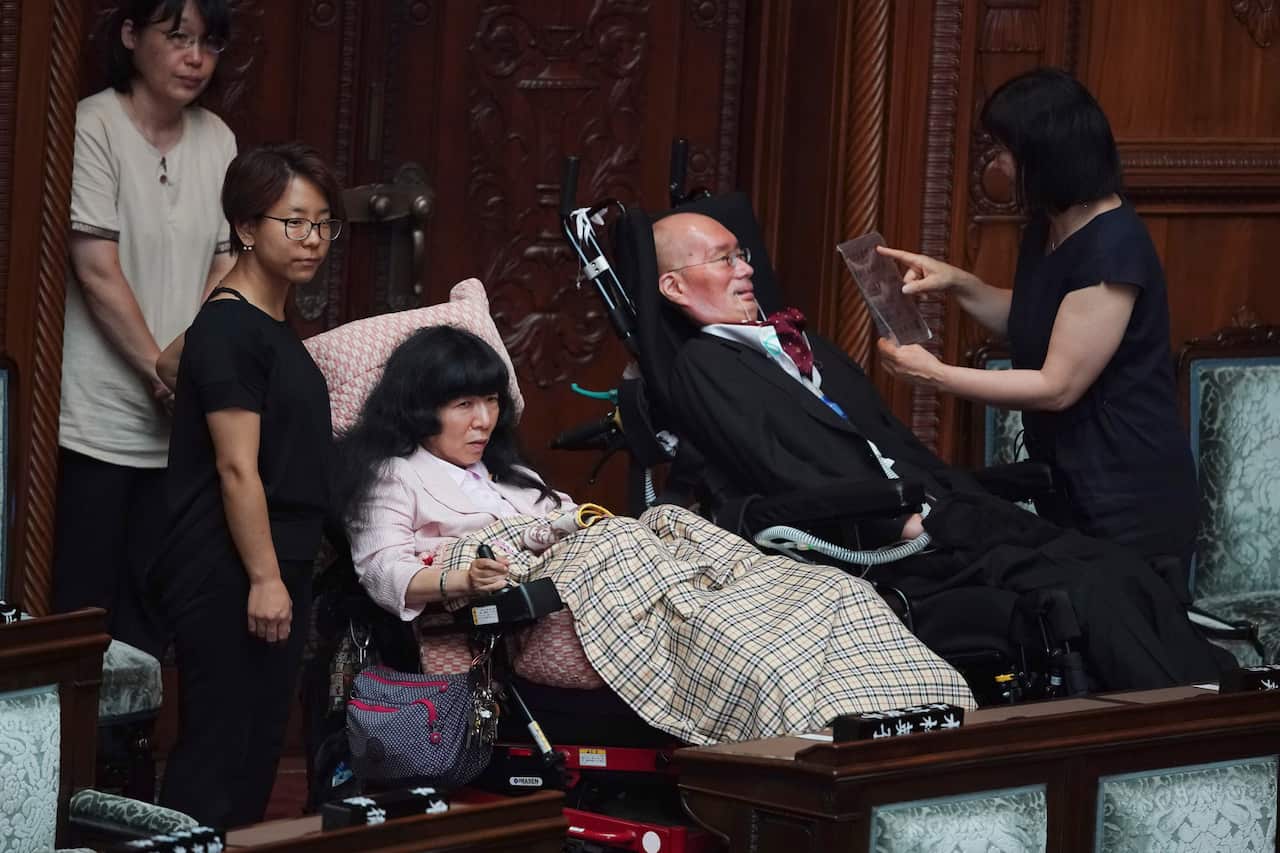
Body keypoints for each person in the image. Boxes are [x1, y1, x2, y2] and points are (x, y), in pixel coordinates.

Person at [656, 210, 1232, 692]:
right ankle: (1191, 743)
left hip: (947, 508)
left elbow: (893, 440)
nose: (747, 268)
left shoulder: (806, 345)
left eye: (742, 254)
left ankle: (1223, 711)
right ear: (676, 286)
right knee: (1091, 588)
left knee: (1120, 566)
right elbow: (780, 470)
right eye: (725, 258)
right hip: (882, 541)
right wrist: (898, 517)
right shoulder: (705, 367)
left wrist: (960, 498)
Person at [334, 325, 975, 746]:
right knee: (746, 645)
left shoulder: (514, 475)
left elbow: (586, 527)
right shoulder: (393, 476)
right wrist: (458, 578)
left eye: (491, 401)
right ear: (419, 407)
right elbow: (382, 569)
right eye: (461, 405)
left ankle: (919, 714)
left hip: (629, 580)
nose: (482, 420)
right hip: (549, 621)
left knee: (827, 592)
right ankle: (819, 733)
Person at [876, 67, 1197, 571]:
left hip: (1126, 489)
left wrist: (935, 376)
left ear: (1046, 156)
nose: (998, 164)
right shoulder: (1050, 223)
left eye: (1006, 151)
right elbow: (1033, 319)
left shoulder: (1113, 248)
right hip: (1070, 478)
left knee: (1129, 640)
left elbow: (1057, 385)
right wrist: (958, 281)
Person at [152, 142, 343, 829]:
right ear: (244, 226)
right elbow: (236, 467)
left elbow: (173, 361)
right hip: (232, 564)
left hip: (272, 557)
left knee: (252, 751)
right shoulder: (234, 326)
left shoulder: (252, 323)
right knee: (219, 753)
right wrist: (265, 577)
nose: (312, 239)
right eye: (293, 221)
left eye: (323, 223)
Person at [55, 0, 236, 658]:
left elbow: (226, 262)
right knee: (81, 606)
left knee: (154, 607)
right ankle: (72, 761)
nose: (195, 58)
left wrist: (190, 366)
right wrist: (163, 368)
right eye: (178, 38)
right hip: (95, 415)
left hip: (179, 418)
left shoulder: (217, 138)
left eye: (209, 44)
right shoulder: (92, 125)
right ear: (131, 35)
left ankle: (130, 761)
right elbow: (96, 270)